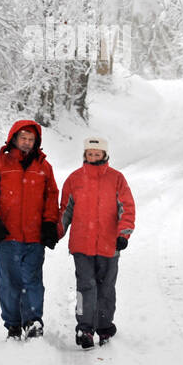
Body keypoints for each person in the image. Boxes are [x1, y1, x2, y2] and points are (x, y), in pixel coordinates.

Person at [0, 119, 60, 340]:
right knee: (9, 282)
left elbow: (52, 197)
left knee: (33, 281)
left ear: (37, 142)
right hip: (7, 235)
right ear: (14, 138)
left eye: (31, 139)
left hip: (34, 237)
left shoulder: (44, 168)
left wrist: (50, 223)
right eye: (23, 138)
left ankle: (33, 322)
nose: (26, 143)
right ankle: (13, 325)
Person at [58, 135, 135, 349]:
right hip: (81, 245)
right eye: (90, 154)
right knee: (85, 287)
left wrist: (124, 233)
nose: (93, 157)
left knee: (106, 288)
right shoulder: (74, 179)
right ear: (85, 155)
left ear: (105, 154)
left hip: (109, 245)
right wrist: (56, 233)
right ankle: (84, 328)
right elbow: (65, 211)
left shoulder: (116, 179)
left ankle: (104, 326)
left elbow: (126, 208)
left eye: (97, 154)